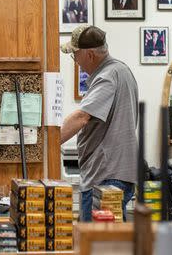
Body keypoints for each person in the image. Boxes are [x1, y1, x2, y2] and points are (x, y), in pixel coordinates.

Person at [60, 25, 139, 222]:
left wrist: (46, 145)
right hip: (112, 174)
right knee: (104, 242)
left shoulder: (107, 76)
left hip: (106, 176)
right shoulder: (121, 70)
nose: (75, 61)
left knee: (95, 245)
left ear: (90, 54)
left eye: (75, 55)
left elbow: (81, 117)